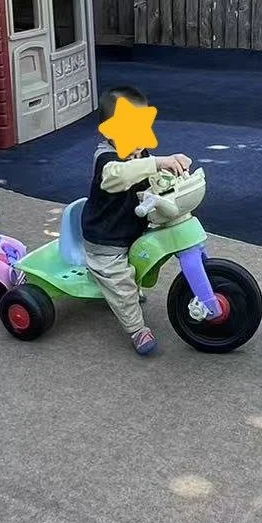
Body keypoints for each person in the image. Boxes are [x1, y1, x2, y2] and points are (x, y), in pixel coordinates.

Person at [81, 85, 191, 355]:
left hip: (133, 230)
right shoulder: (106, 160)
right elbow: (120, 175)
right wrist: (156, 163)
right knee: (122, 286)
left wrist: (173, 171)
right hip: (106, 241)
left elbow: (151, 174)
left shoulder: (139, 153)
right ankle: (137, 330)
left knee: (146, 256)